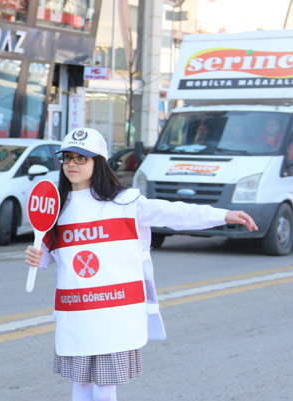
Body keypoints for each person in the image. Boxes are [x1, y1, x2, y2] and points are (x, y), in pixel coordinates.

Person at [24, 128, 257, 401]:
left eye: (81, 159)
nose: (72, 165)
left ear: (98, 162)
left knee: (105, 387)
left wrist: (223, 215)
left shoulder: (126, 203)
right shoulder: (57, 209)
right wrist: (37, 258)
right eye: (67, 158)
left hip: (114, 311)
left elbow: (175, 212)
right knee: (81, 385)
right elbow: (50, 254)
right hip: (76, 313)